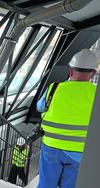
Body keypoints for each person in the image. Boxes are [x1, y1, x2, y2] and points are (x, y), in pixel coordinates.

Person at [36, 49, 98, 188]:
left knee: (46, 184)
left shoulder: (54, 88)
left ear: (70, 71)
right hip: (80, 152)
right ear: (93, 73)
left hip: (51, 147)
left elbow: (40, 107)